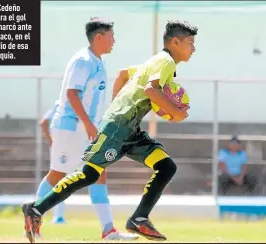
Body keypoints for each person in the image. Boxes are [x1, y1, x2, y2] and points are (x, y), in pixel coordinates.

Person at [22, 20, 197, 242]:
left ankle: (139, 218)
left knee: (166, 166)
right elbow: (151, 90)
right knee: (89, 174)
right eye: (190, 42)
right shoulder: (167, 63)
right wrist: (177, 113)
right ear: (175, 42)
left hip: (129, 128)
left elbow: (123, 74)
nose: (193, 48)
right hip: (119, 128)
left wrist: (118, 106)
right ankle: (36, 209)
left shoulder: (154, 61)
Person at [28, 18, 138, 241]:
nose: (114, 40)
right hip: (71, 128)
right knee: (58, 175)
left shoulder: (98, 61)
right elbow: (71, 93)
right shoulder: (83, 61)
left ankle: (108, 230)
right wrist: (88, 123)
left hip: (87, 130)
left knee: (99, 174)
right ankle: (33, 223)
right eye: (111, 36)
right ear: (99, 37)